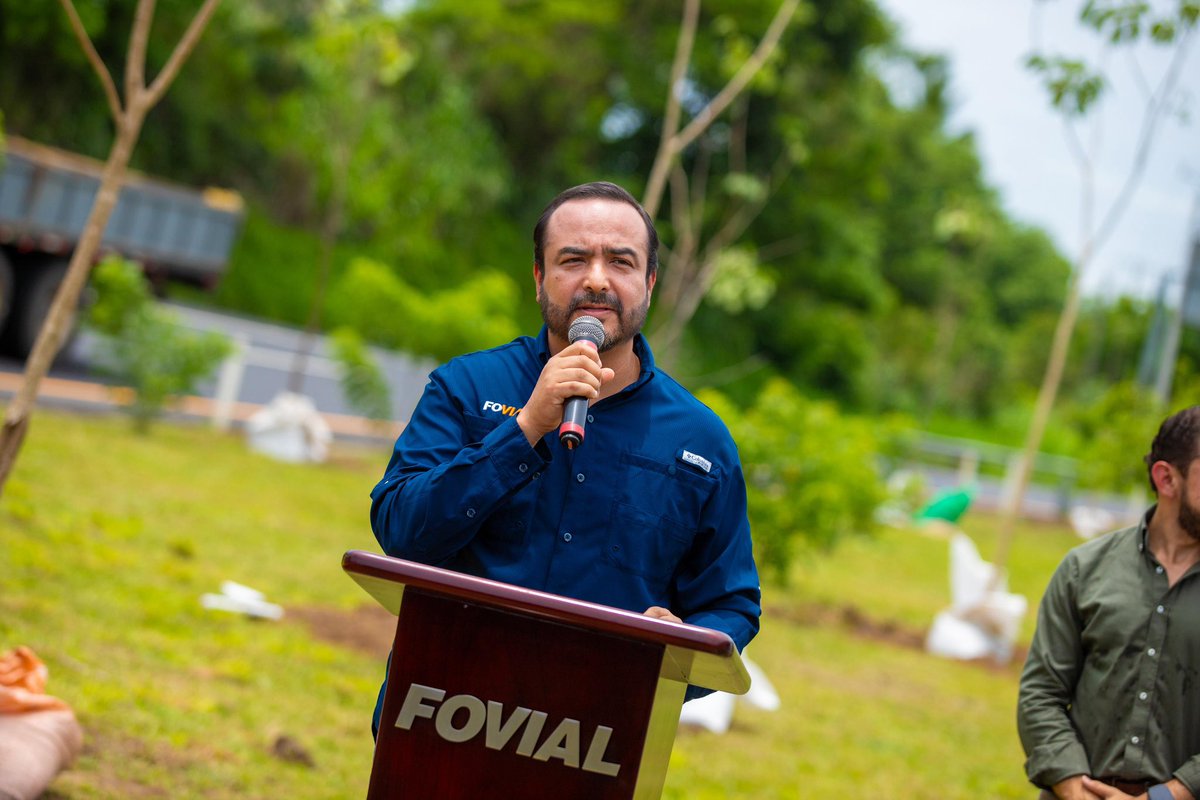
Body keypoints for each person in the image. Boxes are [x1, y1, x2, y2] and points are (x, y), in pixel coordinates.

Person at [368, 181, 761, 735]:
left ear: (648, 283)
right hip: (440, 711)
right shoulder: (465, 387)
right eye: (573, 259)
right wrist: (525, 427)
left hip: (597, 733)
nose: (597, 279)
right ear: (539, 278)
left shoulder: (702, 441)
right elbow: (399, 529)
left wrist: (673, 655)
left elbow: (733, 604)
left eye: (620, 262)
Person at [1018, 405, 1200, 800]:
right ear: (1167, 478)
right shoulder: (1084, 570)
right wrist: (1073, 789)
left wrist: (1165, 796)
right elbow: (1041, 694)